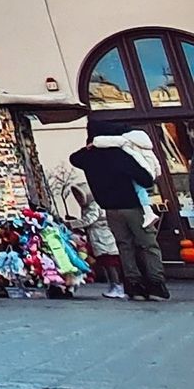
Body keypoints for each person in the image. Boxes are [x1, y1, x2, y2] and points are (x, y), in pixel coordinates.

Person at [70, 129, 169, 301]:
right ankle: (155, 285)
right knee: (147, 245)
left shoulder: (90, 157)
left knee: (125, 246)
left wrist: (91, 147)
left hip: (110, 209)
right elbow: (146, 179)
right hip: (133, 207)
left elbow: (74, 158)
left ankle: (134, 286)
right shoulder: (121, 155)